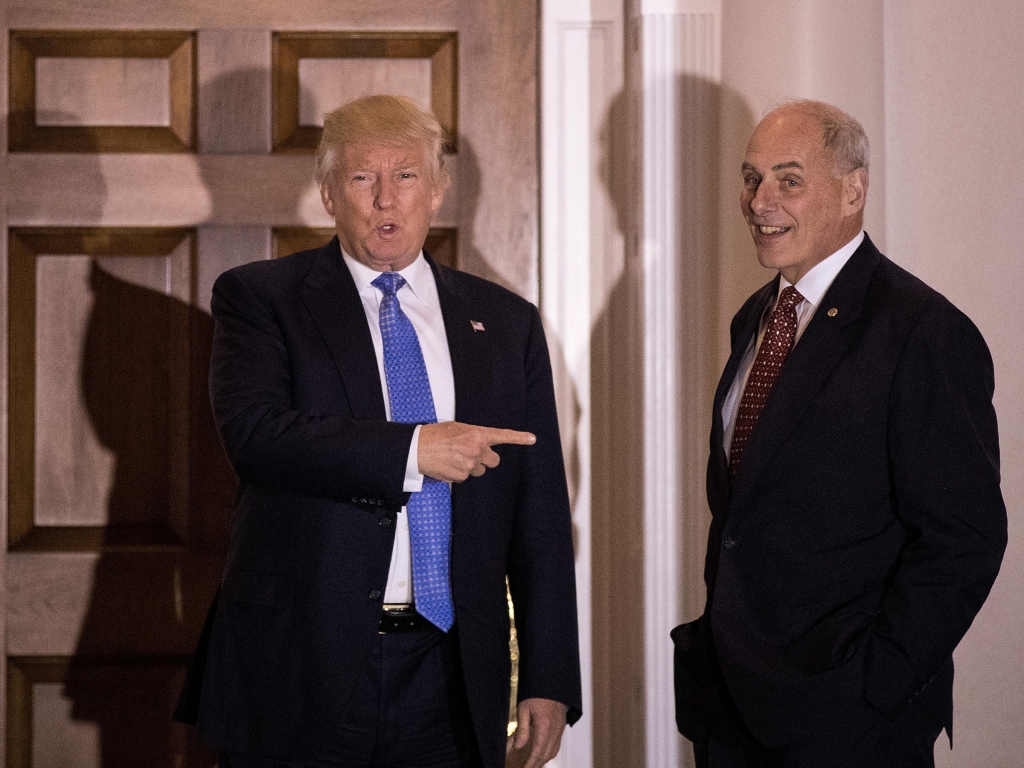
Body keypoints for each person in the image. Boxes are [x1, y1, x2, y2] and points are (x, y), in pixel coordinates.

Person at [176, 95, 582, 768]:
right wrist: (416, 449)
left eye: (408, 176)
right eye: (364, 178)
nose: (387, 200)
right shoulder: (261, 299)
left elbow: (538, 513)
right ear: (329, 192)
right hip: (303, 662)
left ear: (439, 189)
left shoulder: (506, 323)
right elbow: (256, 434)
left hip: (450, 669)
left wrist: (549, 676)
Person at [672, 100, 1007, 768]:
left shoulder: (921, 332)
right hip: (733, 713)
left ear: (854, 190)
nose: (759, 201)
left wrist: (871, 685)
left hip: (848, 722)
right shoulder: (756, 319)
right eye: (751, 178)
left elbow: (963, 539)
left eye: (788, 180)